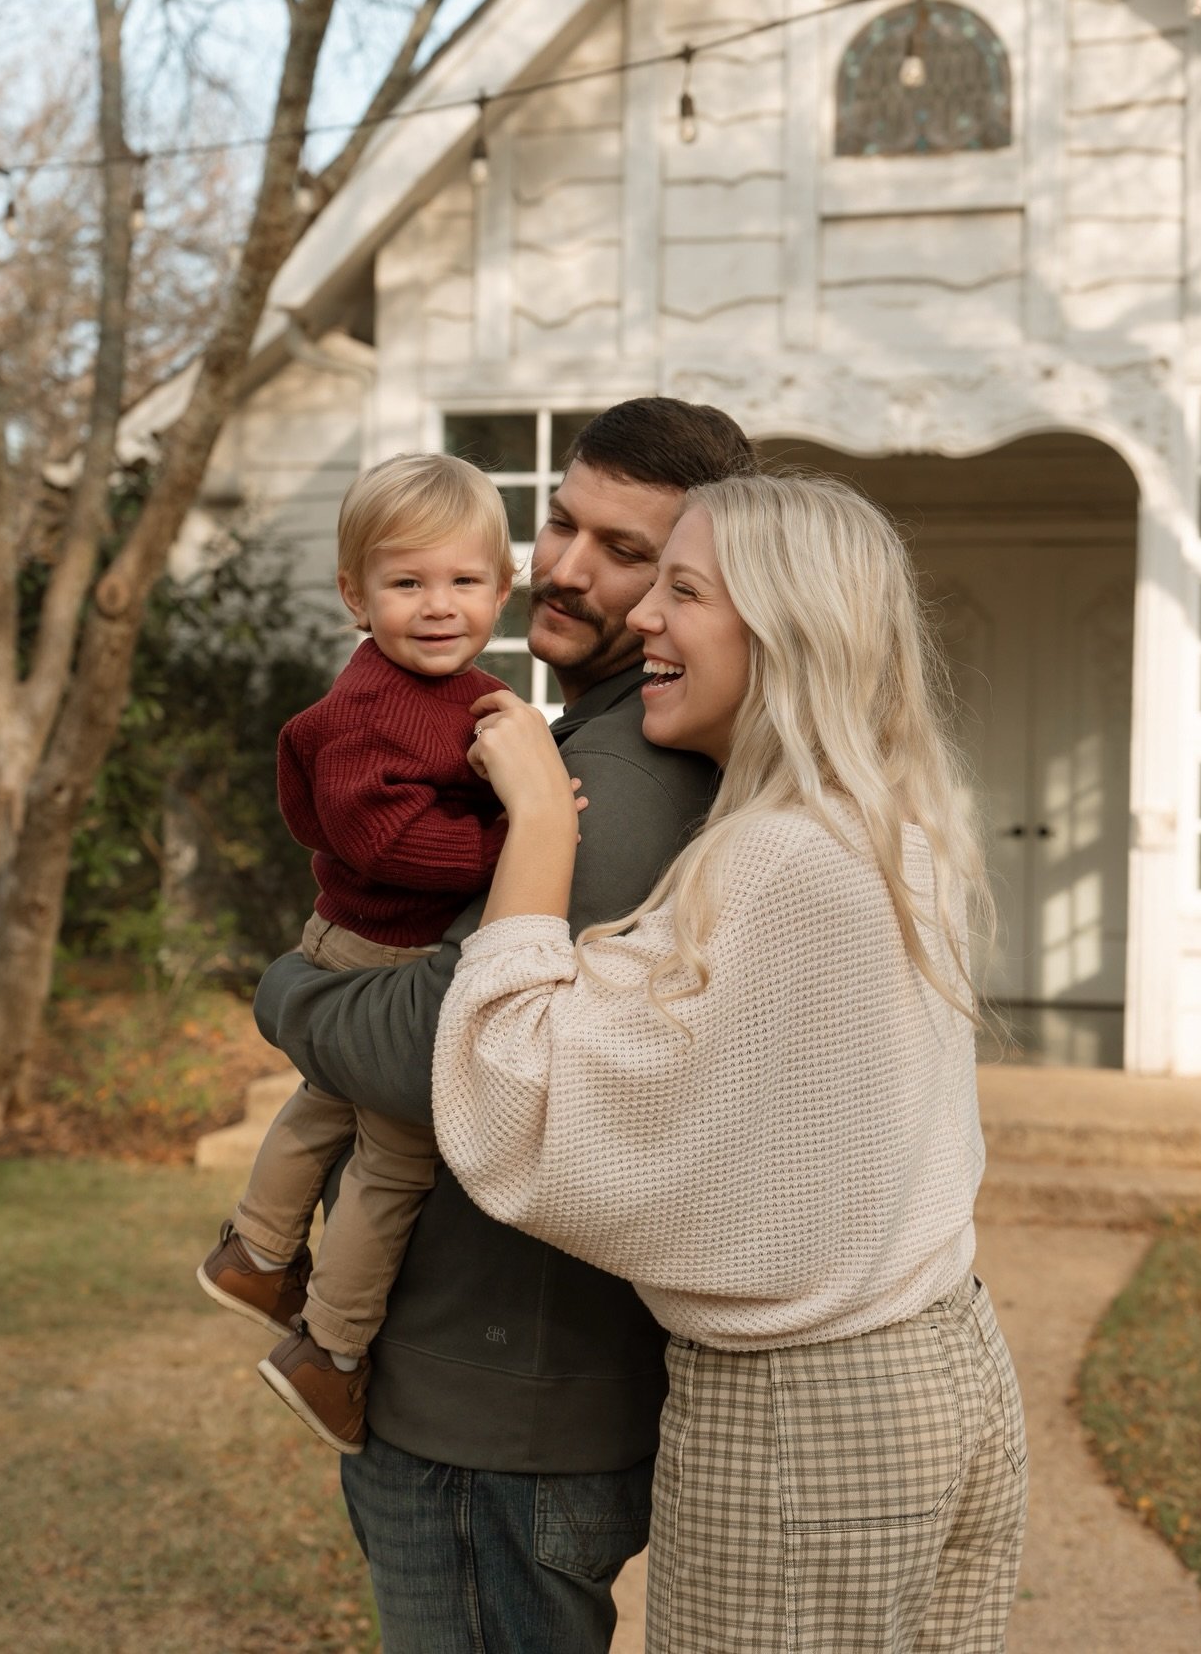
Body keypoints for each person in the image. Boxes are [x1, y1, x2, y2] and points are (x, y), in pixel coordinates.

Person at [432, 472, 1029, 1653]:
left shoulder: (775, 863)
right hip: (949, 1368)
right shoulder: (892, 821)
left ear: (787, 628)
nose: (645, 615)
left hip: (805, 1414)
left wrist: (541, 821)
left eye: (685, 591)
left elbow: (517, 1093)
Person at [252, 399, 759, 1652]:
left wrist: (287, 991)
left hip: (494, 1423)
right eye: (560, 522)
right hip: (485, 1393)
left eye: (627, 553)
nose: (566, 569)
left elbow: (437, 1050)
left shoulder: (616, 778)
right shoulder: (560, 736)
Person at [198, 453, 521, 1455]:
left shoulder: (463, 693)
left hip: (361, 938)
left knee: (324, 1099)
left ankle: (256, 1252)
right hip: (385, 952)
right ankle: (331, 1351)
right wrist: (520, 836)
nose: (439, 605)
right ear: (356, 595)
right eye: (407, 582)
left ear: (502, 588)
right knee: (395, 1159)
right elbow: (389, 839)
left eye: (464, 580)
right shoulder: (371, 710)